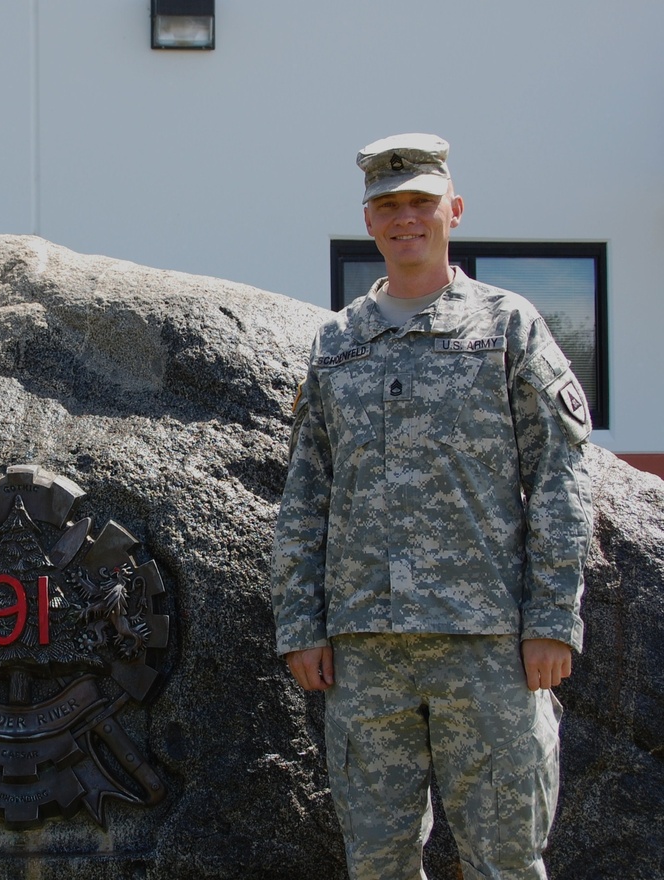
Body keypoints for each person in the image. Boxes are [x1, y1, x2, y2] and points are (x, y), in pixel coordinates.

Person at [270, 133, 593, 880]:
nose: (405, 217)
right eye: (388, 205)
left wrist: (551, 620)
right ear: (369, 220)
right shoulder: (337, 342)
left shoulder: (507, 326)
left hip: (487, 646)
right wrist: (301, 624)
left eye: (420, 201)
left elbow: (559, 478)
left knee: (505, 861)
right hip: (364, 653)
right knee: (376, 863)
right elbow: (305, 494)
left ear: (454, 209)